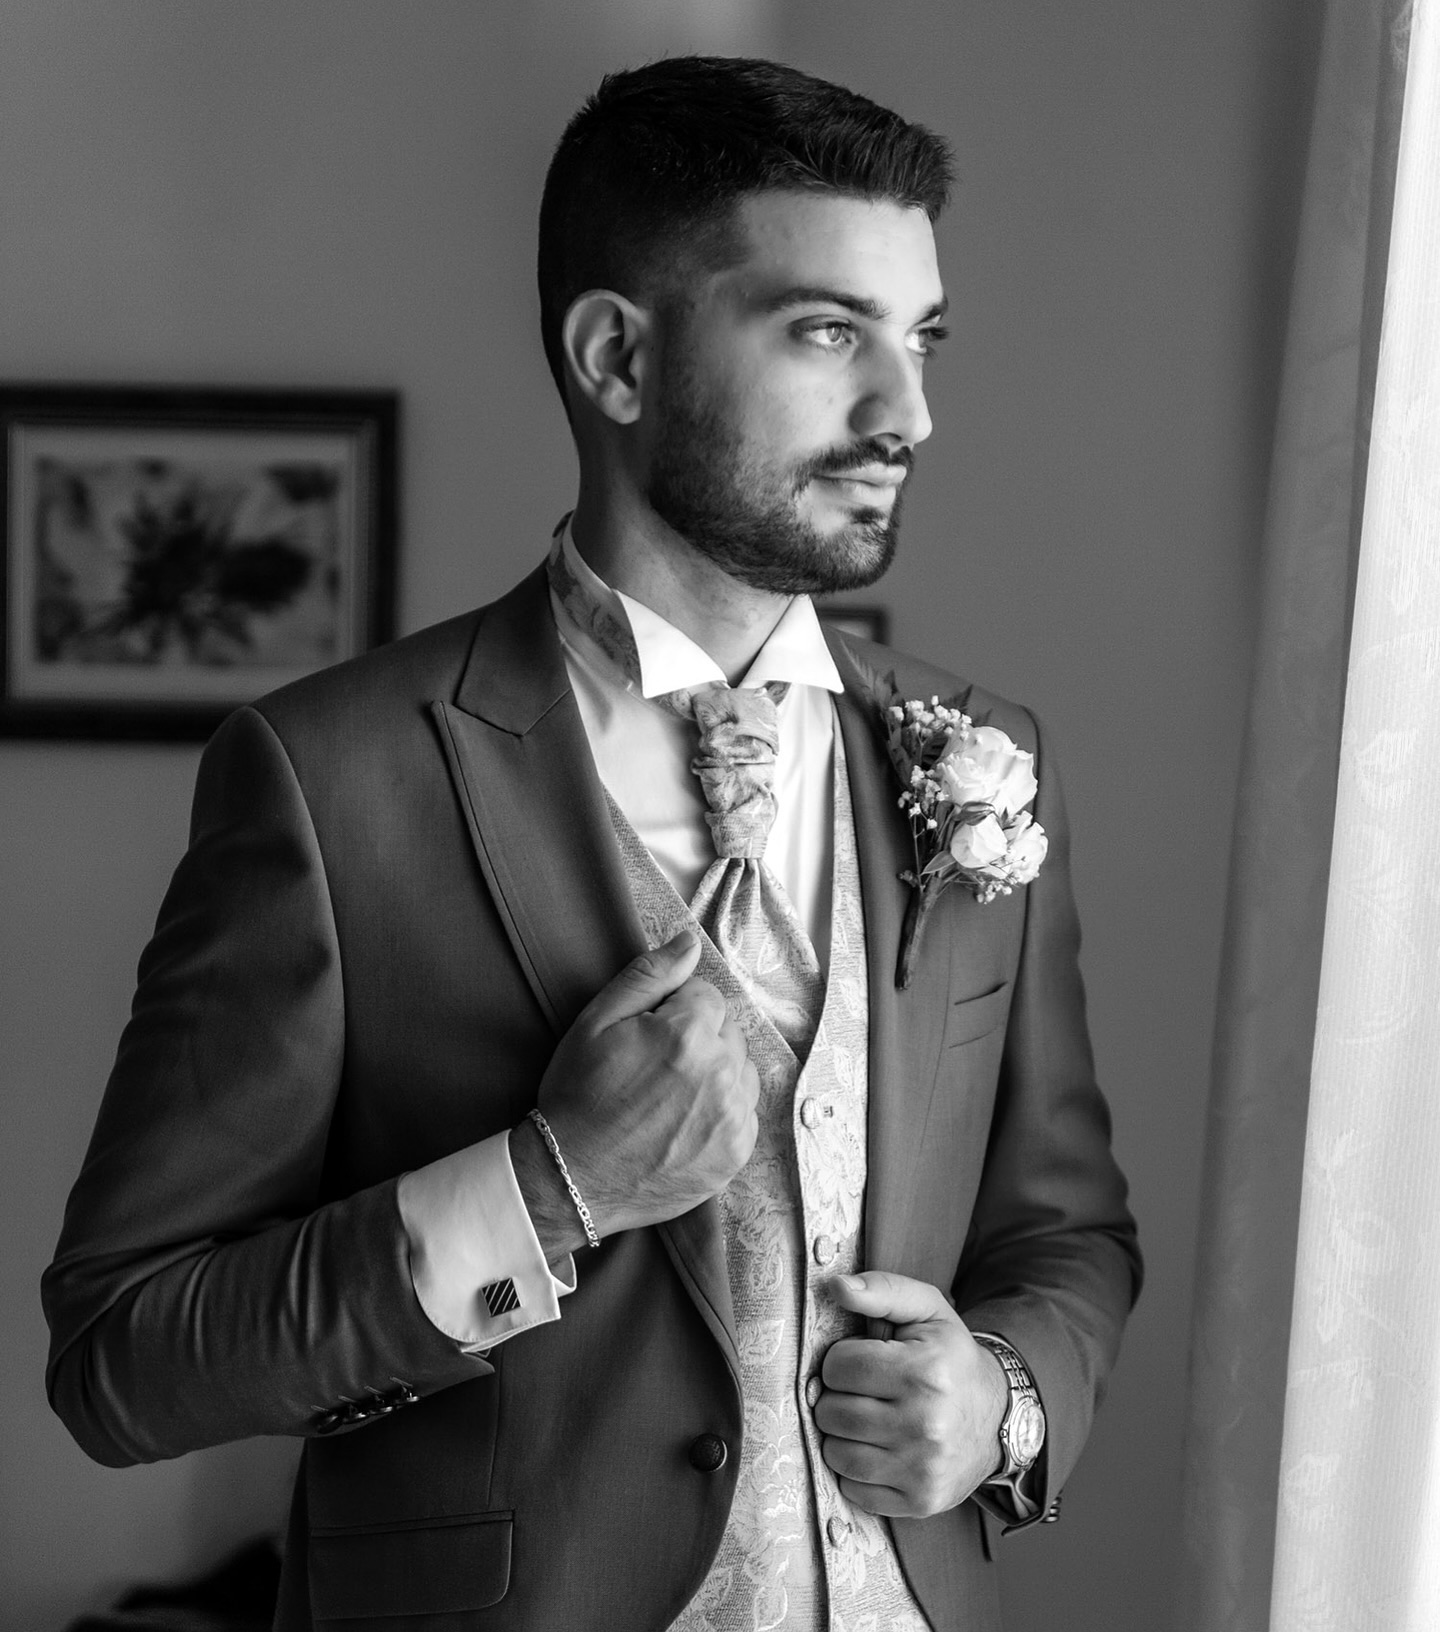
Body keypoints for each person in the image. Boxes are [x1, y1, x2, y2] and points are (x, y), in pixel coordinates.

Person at [44, 56, 1140, 1631]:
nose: (910, 411)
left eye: (921, 338)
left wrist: (1008, 1402)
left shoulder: (983, 762)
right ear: (618, 356)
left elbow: (1064, 1229)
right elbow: (122, 1360)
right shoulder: (333, 778)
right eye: (830, 332)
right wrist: (546, 1193)